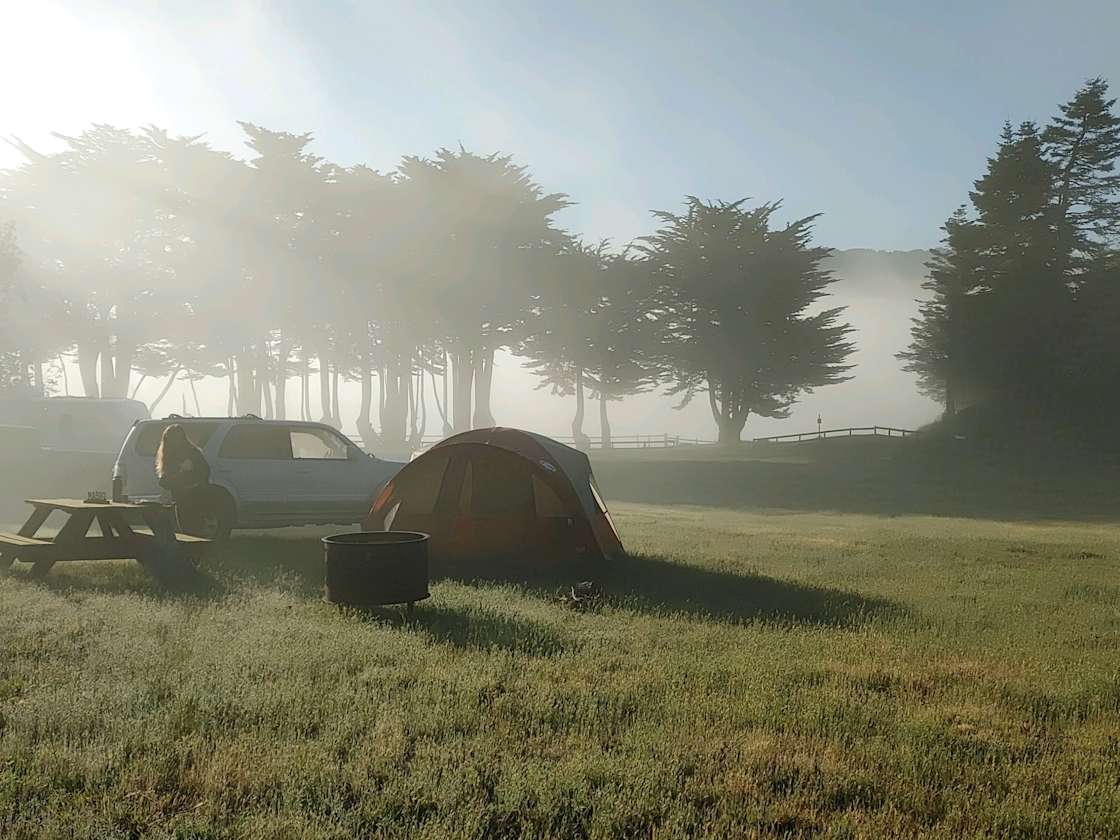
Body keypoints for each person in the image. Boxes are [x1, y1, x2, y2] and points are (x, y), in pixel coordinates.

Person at [155, 424, 211, 533]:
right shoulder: (187, 453)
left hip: (193, 497)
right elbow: (164, 481)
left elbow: (204, 472)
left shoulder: (190, 454)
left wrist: (181, 477)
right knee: (188, 529)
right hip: (183, 499)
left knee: (191, 529)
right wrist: (181, 474)